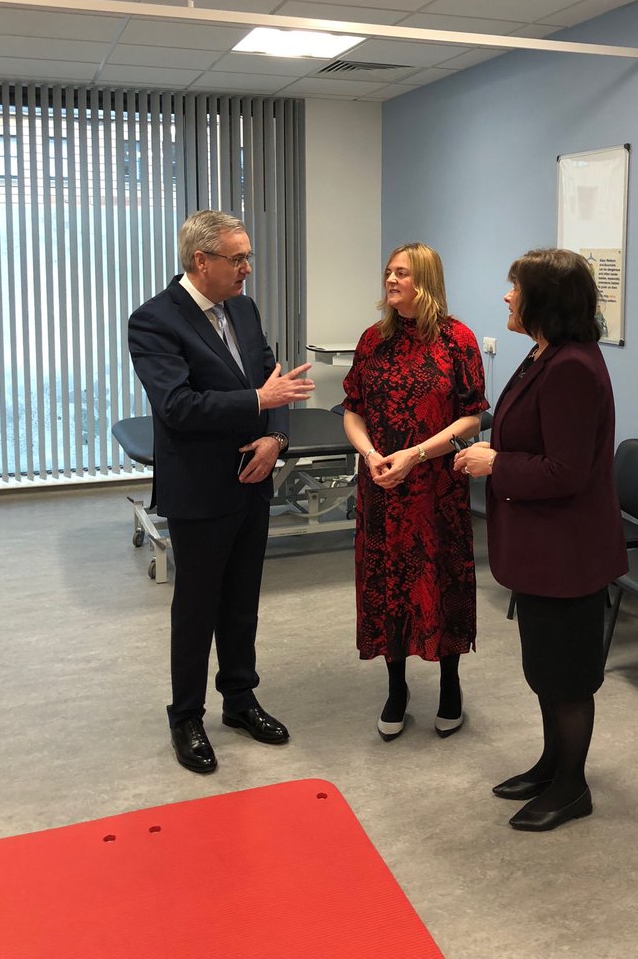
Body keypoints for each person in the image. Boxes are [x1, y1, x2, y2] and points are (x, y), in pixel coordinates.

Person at [128, 209, 315, 774]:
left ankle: (239, 699)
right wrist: (259, 402)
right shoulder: (154, 321)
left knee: (241, 600)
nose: (247, 268)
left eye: (247, 257)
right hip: (200, 487)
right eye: (237, 259)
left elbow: (274, 382)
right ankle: (186, 716)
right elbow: (178, 407)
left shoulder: (244, 308)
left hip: (253, 480)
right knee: (196, 607)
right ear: (200, 260)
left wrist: (276, 439)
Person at [454, 248, 627, 832]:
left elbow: (566, 472)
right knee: (547, 670)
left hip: (567, 555)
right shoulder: (544, 353)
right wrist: (496, 451)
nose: (507, 296)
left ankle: (572, 787)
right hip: (542, 549)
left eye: (516, 288)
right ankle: (553, 765)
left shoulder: (572, 367)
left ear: (545, 301)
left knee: (568, 678)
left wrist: (495, 464)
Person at [342, 243, 488, 741]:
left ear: (425, 280)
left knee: (442, 581)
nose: (390, 280)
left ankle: (450, 684)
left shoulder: (457, 340)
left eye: (401, 273)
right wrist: (370, 454)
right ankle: (396, 688)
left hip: (435, 487)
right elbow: (353, 410)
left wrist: (416, 454)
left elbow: (472, 418)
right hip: (382, 485)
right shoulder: (373, 340)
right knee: (388, 585)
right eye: (388, 272)